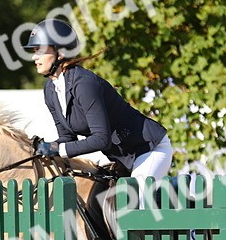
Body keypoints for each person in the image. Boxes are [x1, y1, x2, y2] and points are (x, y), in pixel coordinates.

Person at [26, 18, 175, 182]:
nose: (34, 57)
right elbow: (67, 138)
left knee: (137, 199)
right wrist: (44, 148)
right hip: (121, 159)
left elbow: (101, 139)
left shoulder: (84, 84)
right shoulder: (50, 90)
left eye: (40, 50)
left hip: (148, 149)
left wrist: (57, 149)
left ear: (60, 53)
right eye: (34, 51)